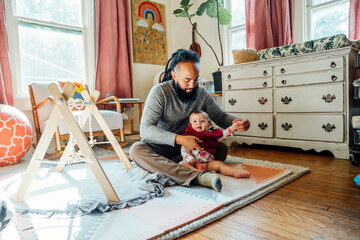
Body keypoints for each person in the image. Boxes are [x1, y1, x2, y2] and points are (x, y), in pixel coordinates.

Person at [129, 49, 250, 192]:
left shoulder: (202, 94)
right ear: (174, 75)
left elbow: (221, 118)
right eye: (187, 80)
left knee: (221, 149)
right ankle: (198, 177)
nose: (192, 85)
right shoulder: (159, 92)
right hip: (163, 145)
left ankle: (172, 166)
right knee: (136, 150)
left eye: (196, 79)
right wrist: (180, 139)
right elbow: (145, 129)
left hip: (191, 148)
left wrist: (238, 122)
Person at [180, 110, 251, 179]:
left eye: (202, 121)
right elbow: (184, 150)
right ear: (190, 124)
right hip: (193, 164)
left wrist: (233, 127)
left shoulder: (211, 134)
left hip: (208, 163)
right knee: (182, 164)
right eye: (194, 121)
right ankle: (197, 172)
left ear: (208, 125)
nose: (198, 123)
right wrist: (190, 158)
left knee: (220, 164)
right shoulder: (188, 136)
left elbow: (223, 134)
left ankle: (234, 172)